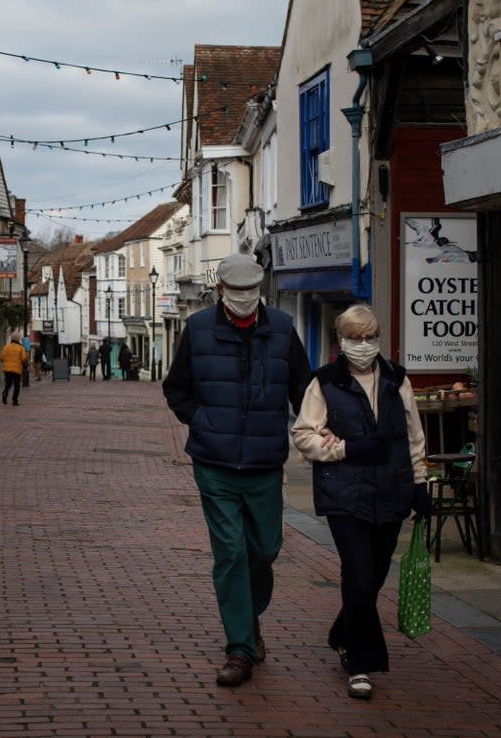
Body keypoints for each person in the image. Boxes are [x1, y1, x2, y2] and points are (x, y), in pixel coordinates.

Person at [162, 252, 311, 687]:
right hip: (215, 462)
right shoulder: (198, 328)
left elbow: (304, 390)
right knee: (230, 552)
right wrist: (202, 422)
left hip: (265, 462)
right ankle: (240, 648)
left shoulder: (282, 330)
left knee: (264, 550)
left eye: (251, 291)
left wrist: (319, 431)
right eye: (236, 291)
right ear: (221, 290)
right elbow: (177, 389)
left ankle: (249, 617)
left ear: (260, 290)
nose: (244, 298)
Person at [290, 304, 431, 700]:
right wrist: (347, 448)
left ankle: (341, 633)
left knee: (376, 573)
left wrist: (420, 483)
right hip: (344, 494)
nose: (364, 345)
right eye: (355, 338)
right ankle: (360, 662)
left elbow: (414, 436)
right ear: (341, 341)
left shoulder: (396, 380)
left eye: (370, 337)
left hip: (391, 490)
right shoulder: (325, 383)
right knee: (359, 573)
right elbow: (303, 434)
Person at [0, 332, 28, 406]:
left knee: (8, 383)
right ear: (18, 339)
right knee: (17, 385)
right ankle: (14, 400)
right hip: (17, 369)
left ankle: (5, 393)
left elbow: (2, 357)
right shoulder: (21, 348)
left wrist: (6, 362)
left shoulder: (6, 347)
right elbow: (24, 358)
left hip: (7, 369)